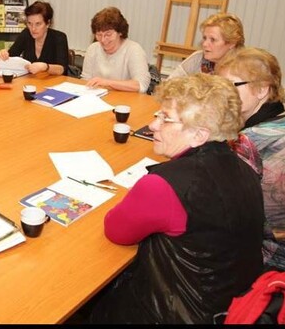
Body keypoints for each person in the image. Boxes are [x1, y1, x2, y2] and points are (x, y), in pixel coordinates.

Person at [89, 73, 264, 324]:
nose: (152, 125)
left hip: (177, 311)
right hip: (231, 304)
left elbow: (115, 230)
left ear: (199, 135)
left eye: (166, 119)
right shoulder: (244, 168)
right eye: (158, 115)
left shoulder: (164, 186)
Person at [216, 47, 285, 272]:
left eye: (230, 86)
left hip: (274, 258)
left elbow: (218, 205)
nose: (222, 95)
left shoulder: (250, 140)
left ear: (262, 89)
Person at [81, 7, 151, 93]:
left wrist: (107, 82)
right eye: (99, 35)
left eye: (108, 34)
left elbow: (141, 85)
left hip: (126, 101)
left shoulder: (134, 50)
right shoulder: (93, 48)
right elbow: (85, 79)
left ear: (120, 32)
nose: (103, 40)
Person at [0, 0, 70, 76]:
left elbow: (62, 69)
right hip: (30, 83)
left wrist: (45, 67)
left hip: (53, 83)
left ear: (48, 23)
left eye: (38, 24)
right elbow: (12, 55)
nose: (33, 29)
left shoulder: (59, 37)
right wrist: (4, 54)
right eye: (29, 23)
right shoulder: (26, 33)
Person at [168, 13, 245, 79]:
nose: (204, 44)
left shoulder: (243, 69)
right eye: (204, 38)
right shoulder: (198, 58)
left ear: (232, 43)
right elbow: (168, 85)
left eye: (213, 40)